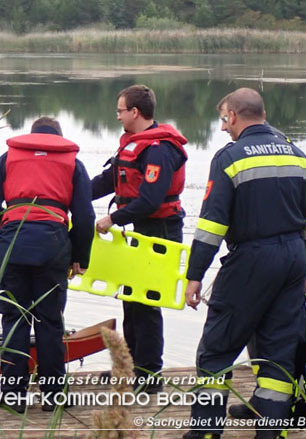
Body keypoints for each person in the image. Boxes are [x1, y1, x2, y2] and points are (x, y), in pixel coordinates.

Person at [182, 88, 306, 439]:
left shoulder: (230, 158)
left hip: (252, 259)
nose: (223, 126)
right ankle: (269, 431)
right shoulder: (299, 156)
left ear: (233, 115)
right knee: (278, 351)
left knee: (217, 349)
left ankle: (206, 431)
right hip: (293, 260)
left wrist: (195, 275)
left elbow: (212, 226)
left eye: (223, 118)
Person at [0, 117, 95, 413]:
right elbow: (85, 217)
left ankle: (13, 397)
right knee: (50, 322)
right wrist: (80, 257)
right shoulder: (72, 163)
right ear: (58, 137)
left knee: (14, 320)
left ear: (32, 136)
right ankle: (53, 397)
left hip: (12, 242)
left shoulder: (8, 158)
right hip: (53, 246)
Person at [91, 84, 188, 392]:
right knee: (130, 297)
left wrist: (111, 219)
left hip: (160, 231)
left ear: (135, 112)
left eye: (120, 111)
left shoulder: (159, 149)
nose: (117, 116)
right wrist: (72, 194)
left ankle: (149, 375)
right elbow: (111, 179)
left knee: (147, 302)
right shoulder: (132, 144)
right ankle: (128, 367)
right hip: (139, 229)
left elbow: (149, 200)